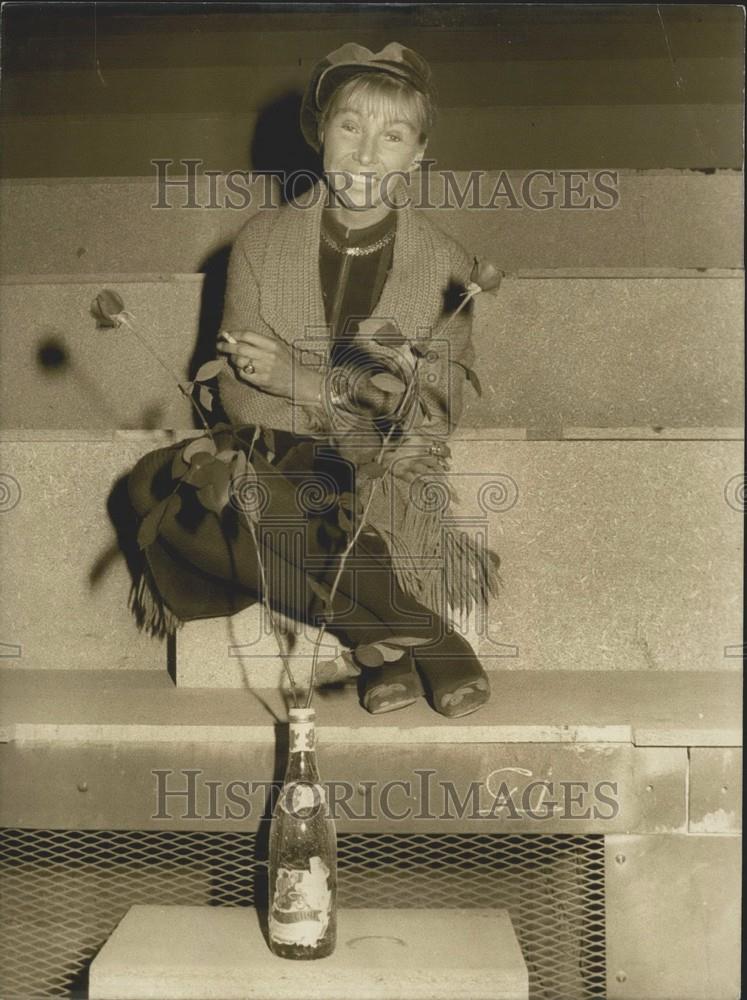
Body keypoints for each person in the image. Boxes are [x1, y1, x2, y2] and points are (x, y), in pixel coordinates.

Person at [127, 41, 501, 717]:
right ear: (319, 133)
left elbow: (427, 417)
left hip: (371, 468)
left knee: (291, 486)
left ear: (417, 156)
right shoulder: (260, 240)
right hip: (270, 457)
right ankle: (398, 626)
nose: (364, 154)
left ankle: (379, 633)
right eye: (349, 127)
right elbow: (238, 391)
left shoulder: (445, 265)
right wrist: (346, 391)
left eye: (391, 136)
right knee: (151, 486)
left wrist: (307, 381)